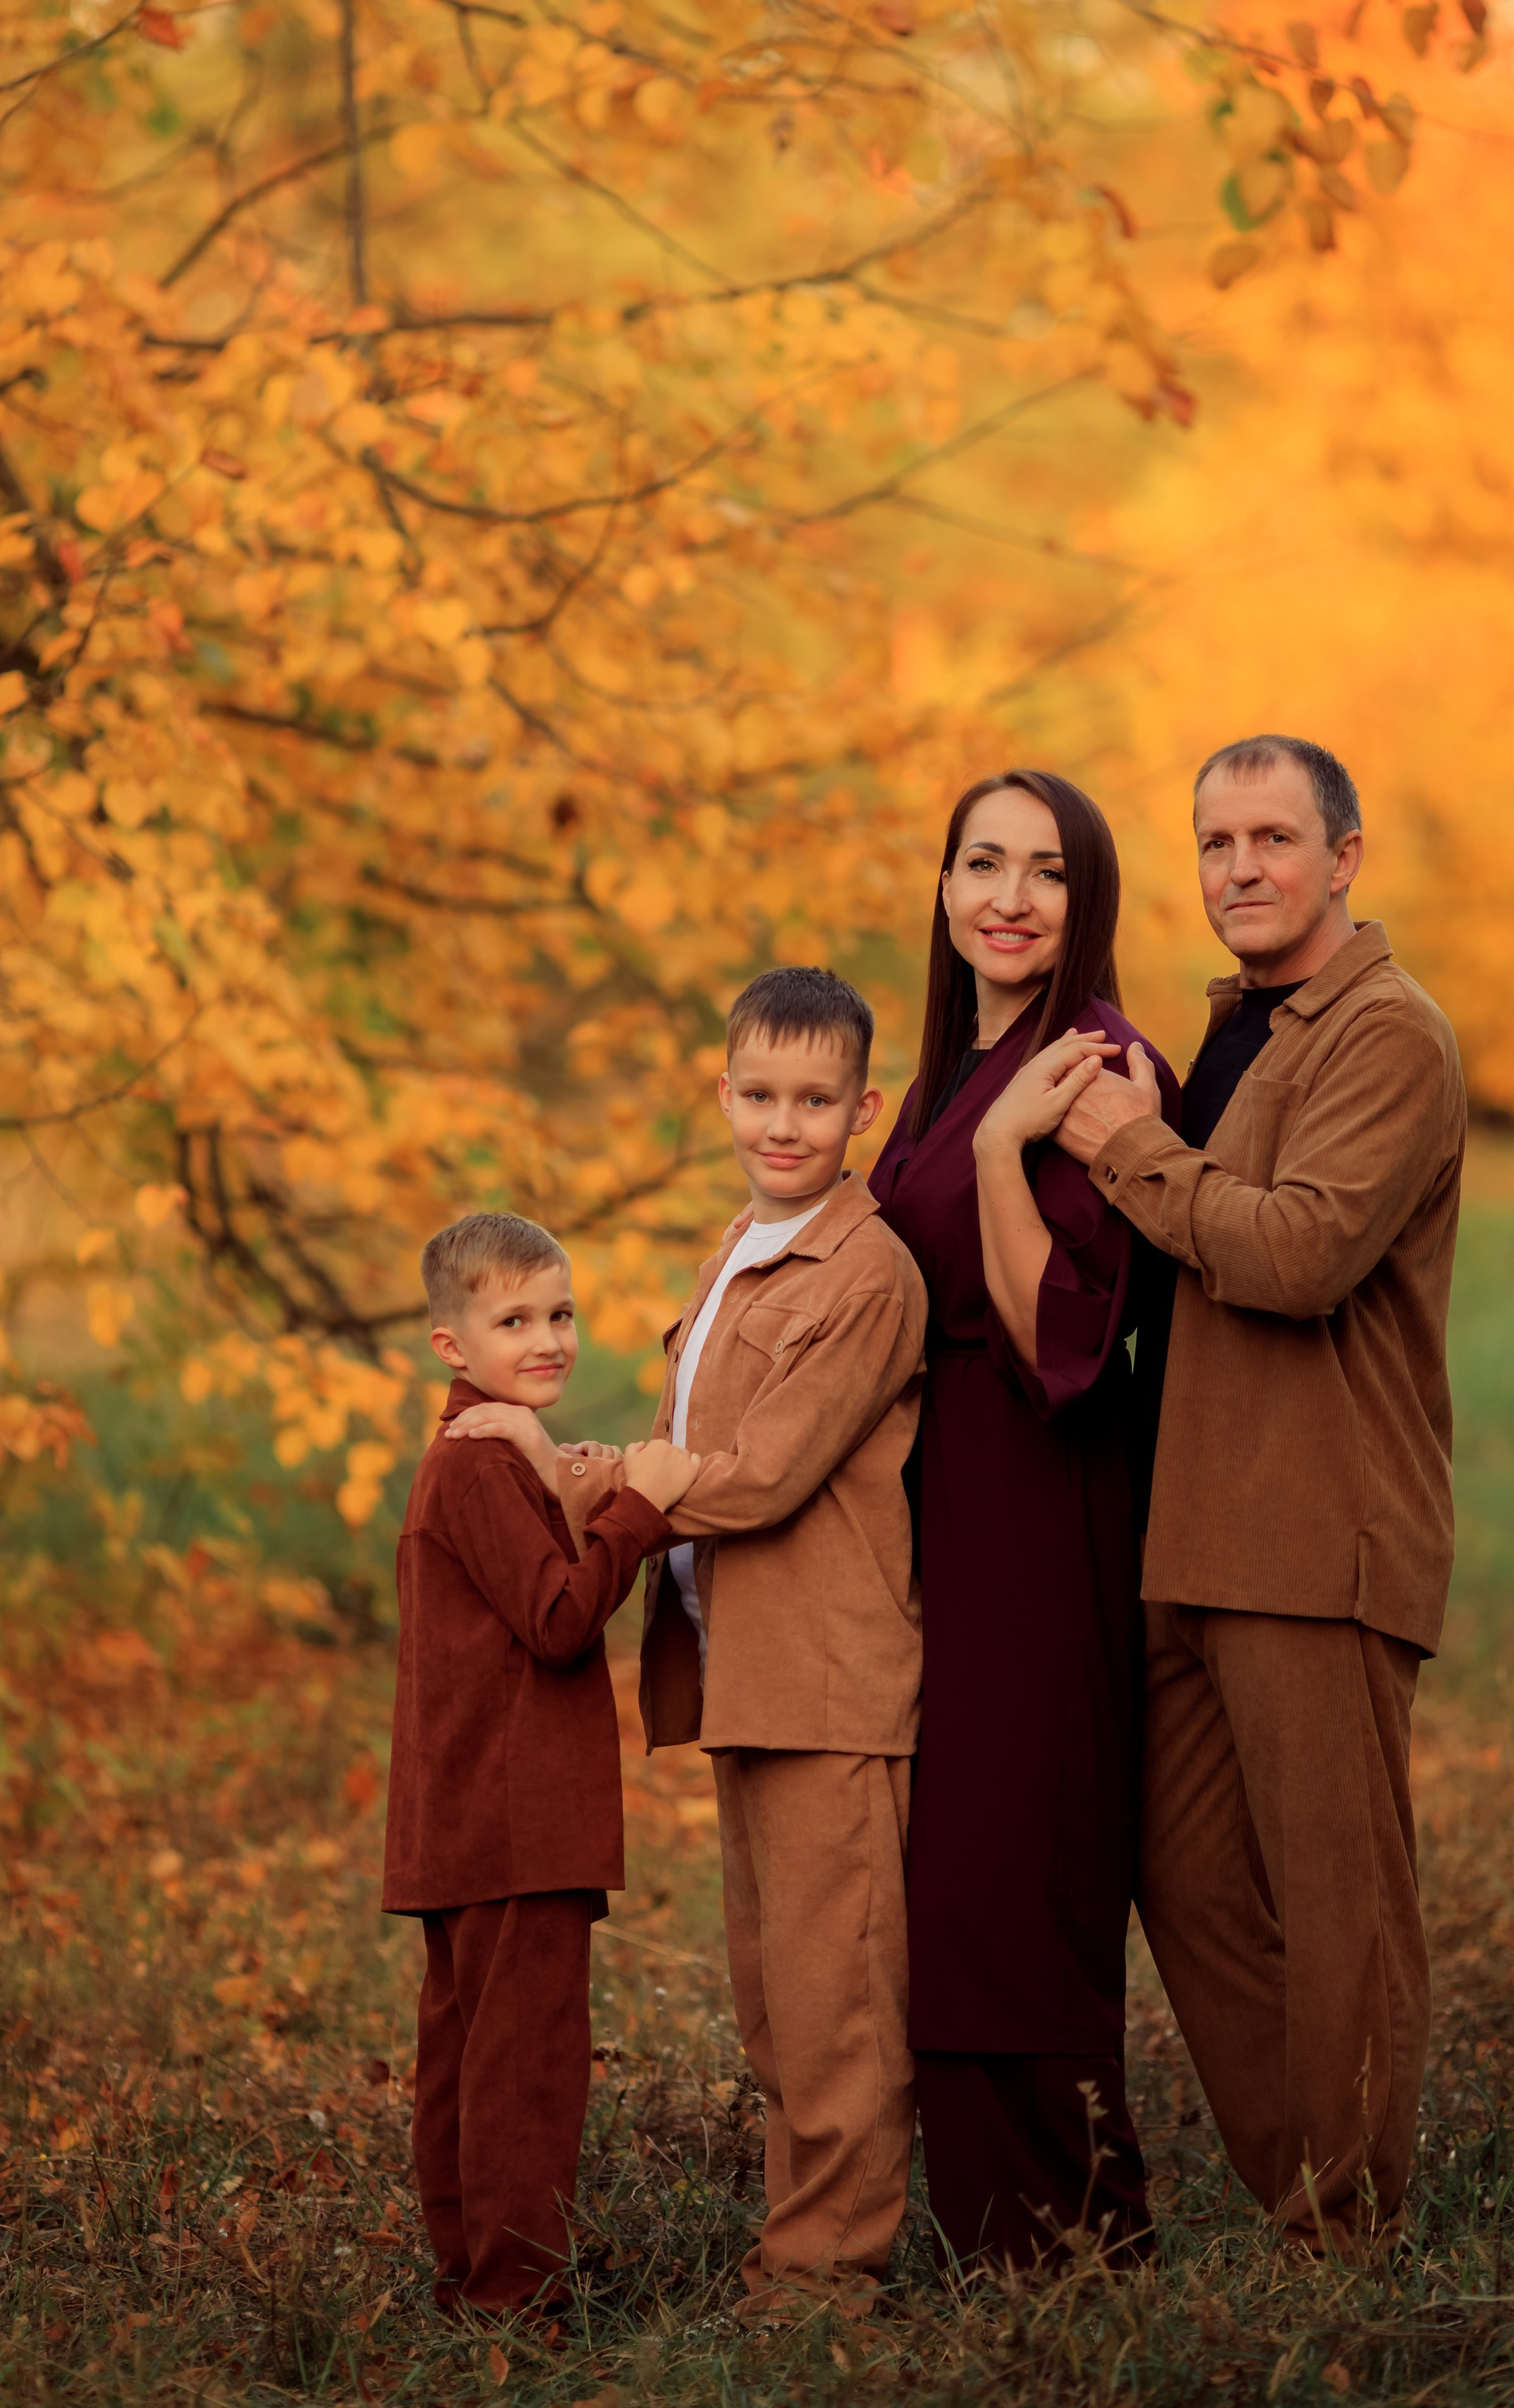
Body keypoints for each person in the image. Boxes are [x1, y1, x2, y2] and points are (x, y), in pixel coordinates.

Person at [1055, 733, 1466, 2253]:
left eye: (1272, 838)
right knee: (1181, 1876)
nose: (1239, 868)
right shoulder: (1239, 1027)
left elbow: (1293, 1256)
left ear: (1342, 857)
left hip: (1318, 1533)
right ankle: (1305, 2183)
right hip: (1190, 1531)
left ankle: (1341, 2241)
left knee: (1339, 1908)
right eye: (1214, 841)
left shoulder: (1386, 1036)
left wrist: (1126, 1151)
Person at [869, 769, 1180, 2275]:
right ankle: (991, 2235)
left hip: (1037, 1507)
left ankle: (1070, 2251)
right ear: (940, 889)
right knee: (950, 1874)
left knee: (1015, 1868)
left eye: (1043, 871)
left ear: (1086, 899)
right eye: (980, 864)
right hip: (936, 1506)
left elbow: (1059, 1338)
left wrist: (1001, 1156)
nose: (1007, 896)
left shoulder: (1097, 1067)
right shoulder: (945, 1066)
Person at [638, 965, 927, 2324]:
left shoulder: (863, 1271)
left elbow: (756, 1477)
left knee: (834, 2006)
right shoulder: (738, 1251)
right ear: (723, 1094)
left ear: (862, 1109)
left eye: (814, 1101)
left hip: (829, 1685)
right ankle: (787, 2253)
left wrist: (588, 1479)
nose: (783, 1123)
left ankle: (826, 2286)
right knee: (770, 1999)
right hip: (742, 1677)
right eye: (759, 1094)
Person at [381, 1209, 698, 2322]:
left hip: (474, 1820)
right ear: (451, 1347)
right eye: (513, 1320)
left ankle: (474, 2281)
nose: (548, 1339)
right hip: (514, 1823)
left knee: (472, 2059)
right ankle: (512, 2304)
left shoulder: (488, 1452)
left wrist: (578, 1491)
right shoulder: (476, 1468)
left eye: (559, 1313)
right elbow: (560, 1622)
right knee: (522, 2073)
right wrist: (641, 1509)